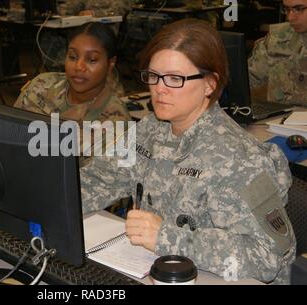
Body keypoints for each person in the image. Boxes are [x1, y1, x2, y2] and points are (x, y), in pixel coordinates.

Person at [80, 19, 296, 284]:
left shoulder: (240, 159)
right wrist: (47, 198)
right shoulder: (150, 130)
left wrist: (167, 237)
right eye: (154, 75)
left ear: (209, 84)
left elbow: (269, 257)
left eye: (175, 78)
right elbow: (99, 179)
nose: (159, 89)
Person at [15, 22, 130, 123]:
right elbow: (10, 127)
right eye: (73, 57)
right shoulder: (42, 84)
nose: (79, 67)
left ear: (110, 64)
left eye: (92, 60)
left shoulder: (115, 120)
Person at [40, 0, 132, 71]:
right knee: (49, 34)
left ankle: (70, 70)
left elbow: (118, 10)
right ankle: (58, 71)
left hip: (105, 29)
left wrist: (94, 14)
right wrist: (54, 10)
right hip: (83, 27)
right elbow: (74, 5)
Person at [248, 0, 307, 106]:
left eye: (299, 9)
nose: (290, 18)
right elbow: (248, 78)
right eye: (287, 10)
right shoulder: (277, 38)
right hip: (280, 118)